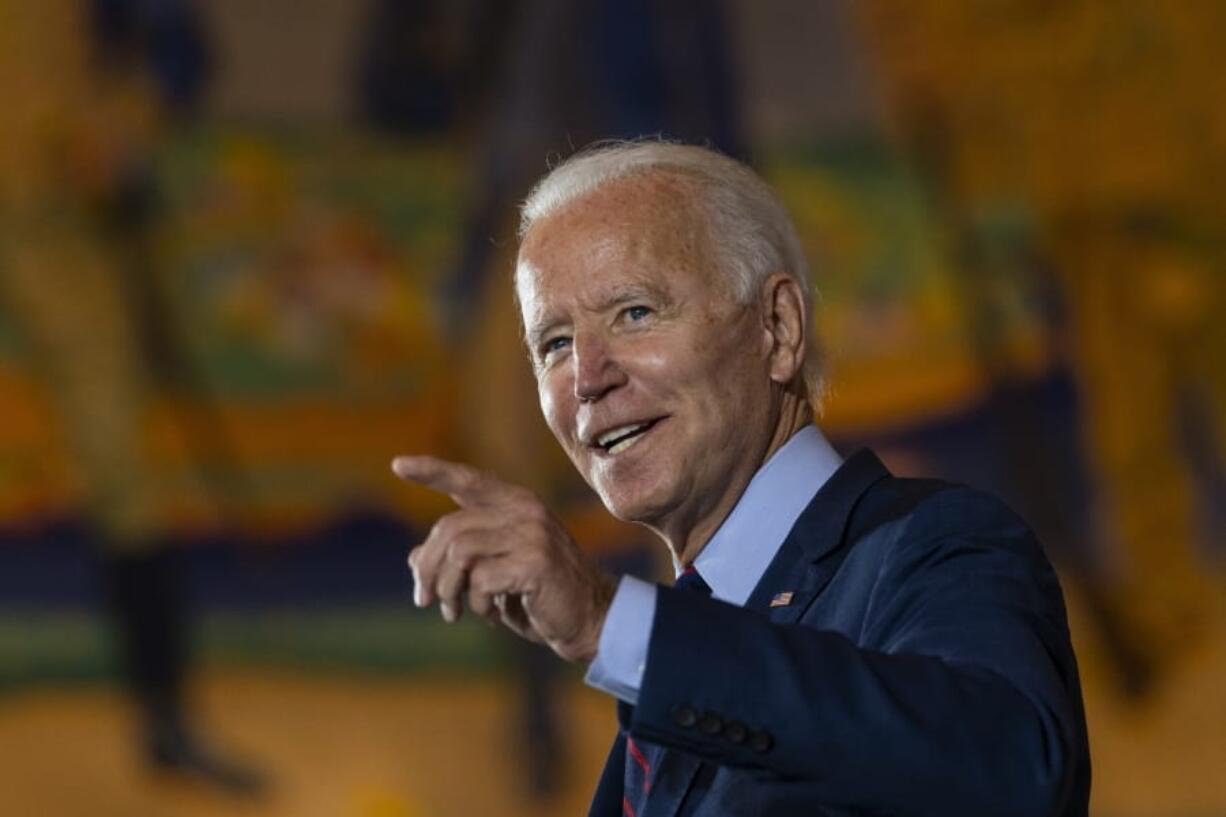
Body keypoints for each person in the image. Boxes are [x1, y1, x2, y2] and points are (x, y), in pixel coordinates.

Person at [392, 142, 1091, 816]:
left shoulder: (933, 545)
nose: (587, 378)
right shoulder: (670, 673)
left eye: (634, 313)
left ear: (778, 327)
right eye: (555, 343)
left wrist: (610, 623)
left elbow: (1010, 774)